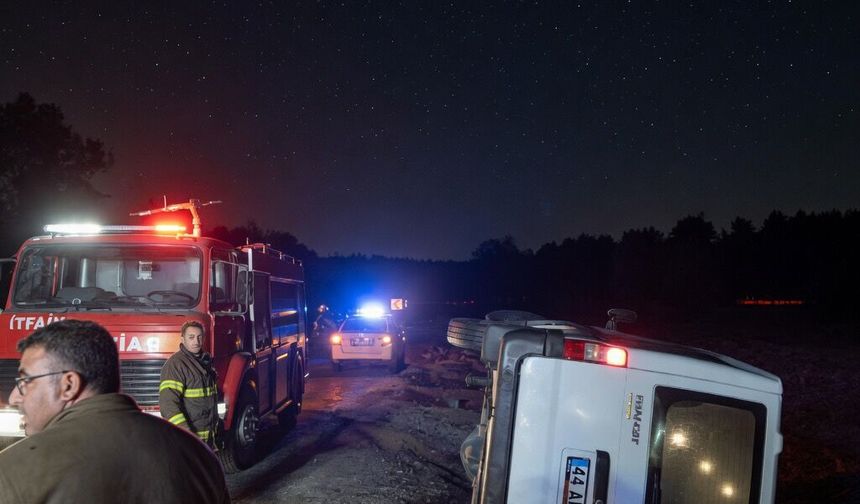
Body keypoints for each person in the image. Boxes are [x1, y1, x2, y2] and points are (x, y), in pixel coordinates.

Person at [0, 319, 230, 503]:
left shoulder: (13, 471)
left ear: (68, 385)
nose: (14, 396)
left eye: (26, 380)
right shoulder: (200, 457)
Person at [159, 320, 219, 447]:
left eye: (199, 337)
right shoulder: (176, 365)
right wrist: (187, 435)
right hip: (188, 441)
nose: (196, 342)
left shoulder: (205, 362)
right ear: (183, 339)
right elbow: (168, 406)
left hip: (207, 440)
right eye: (191, 337)